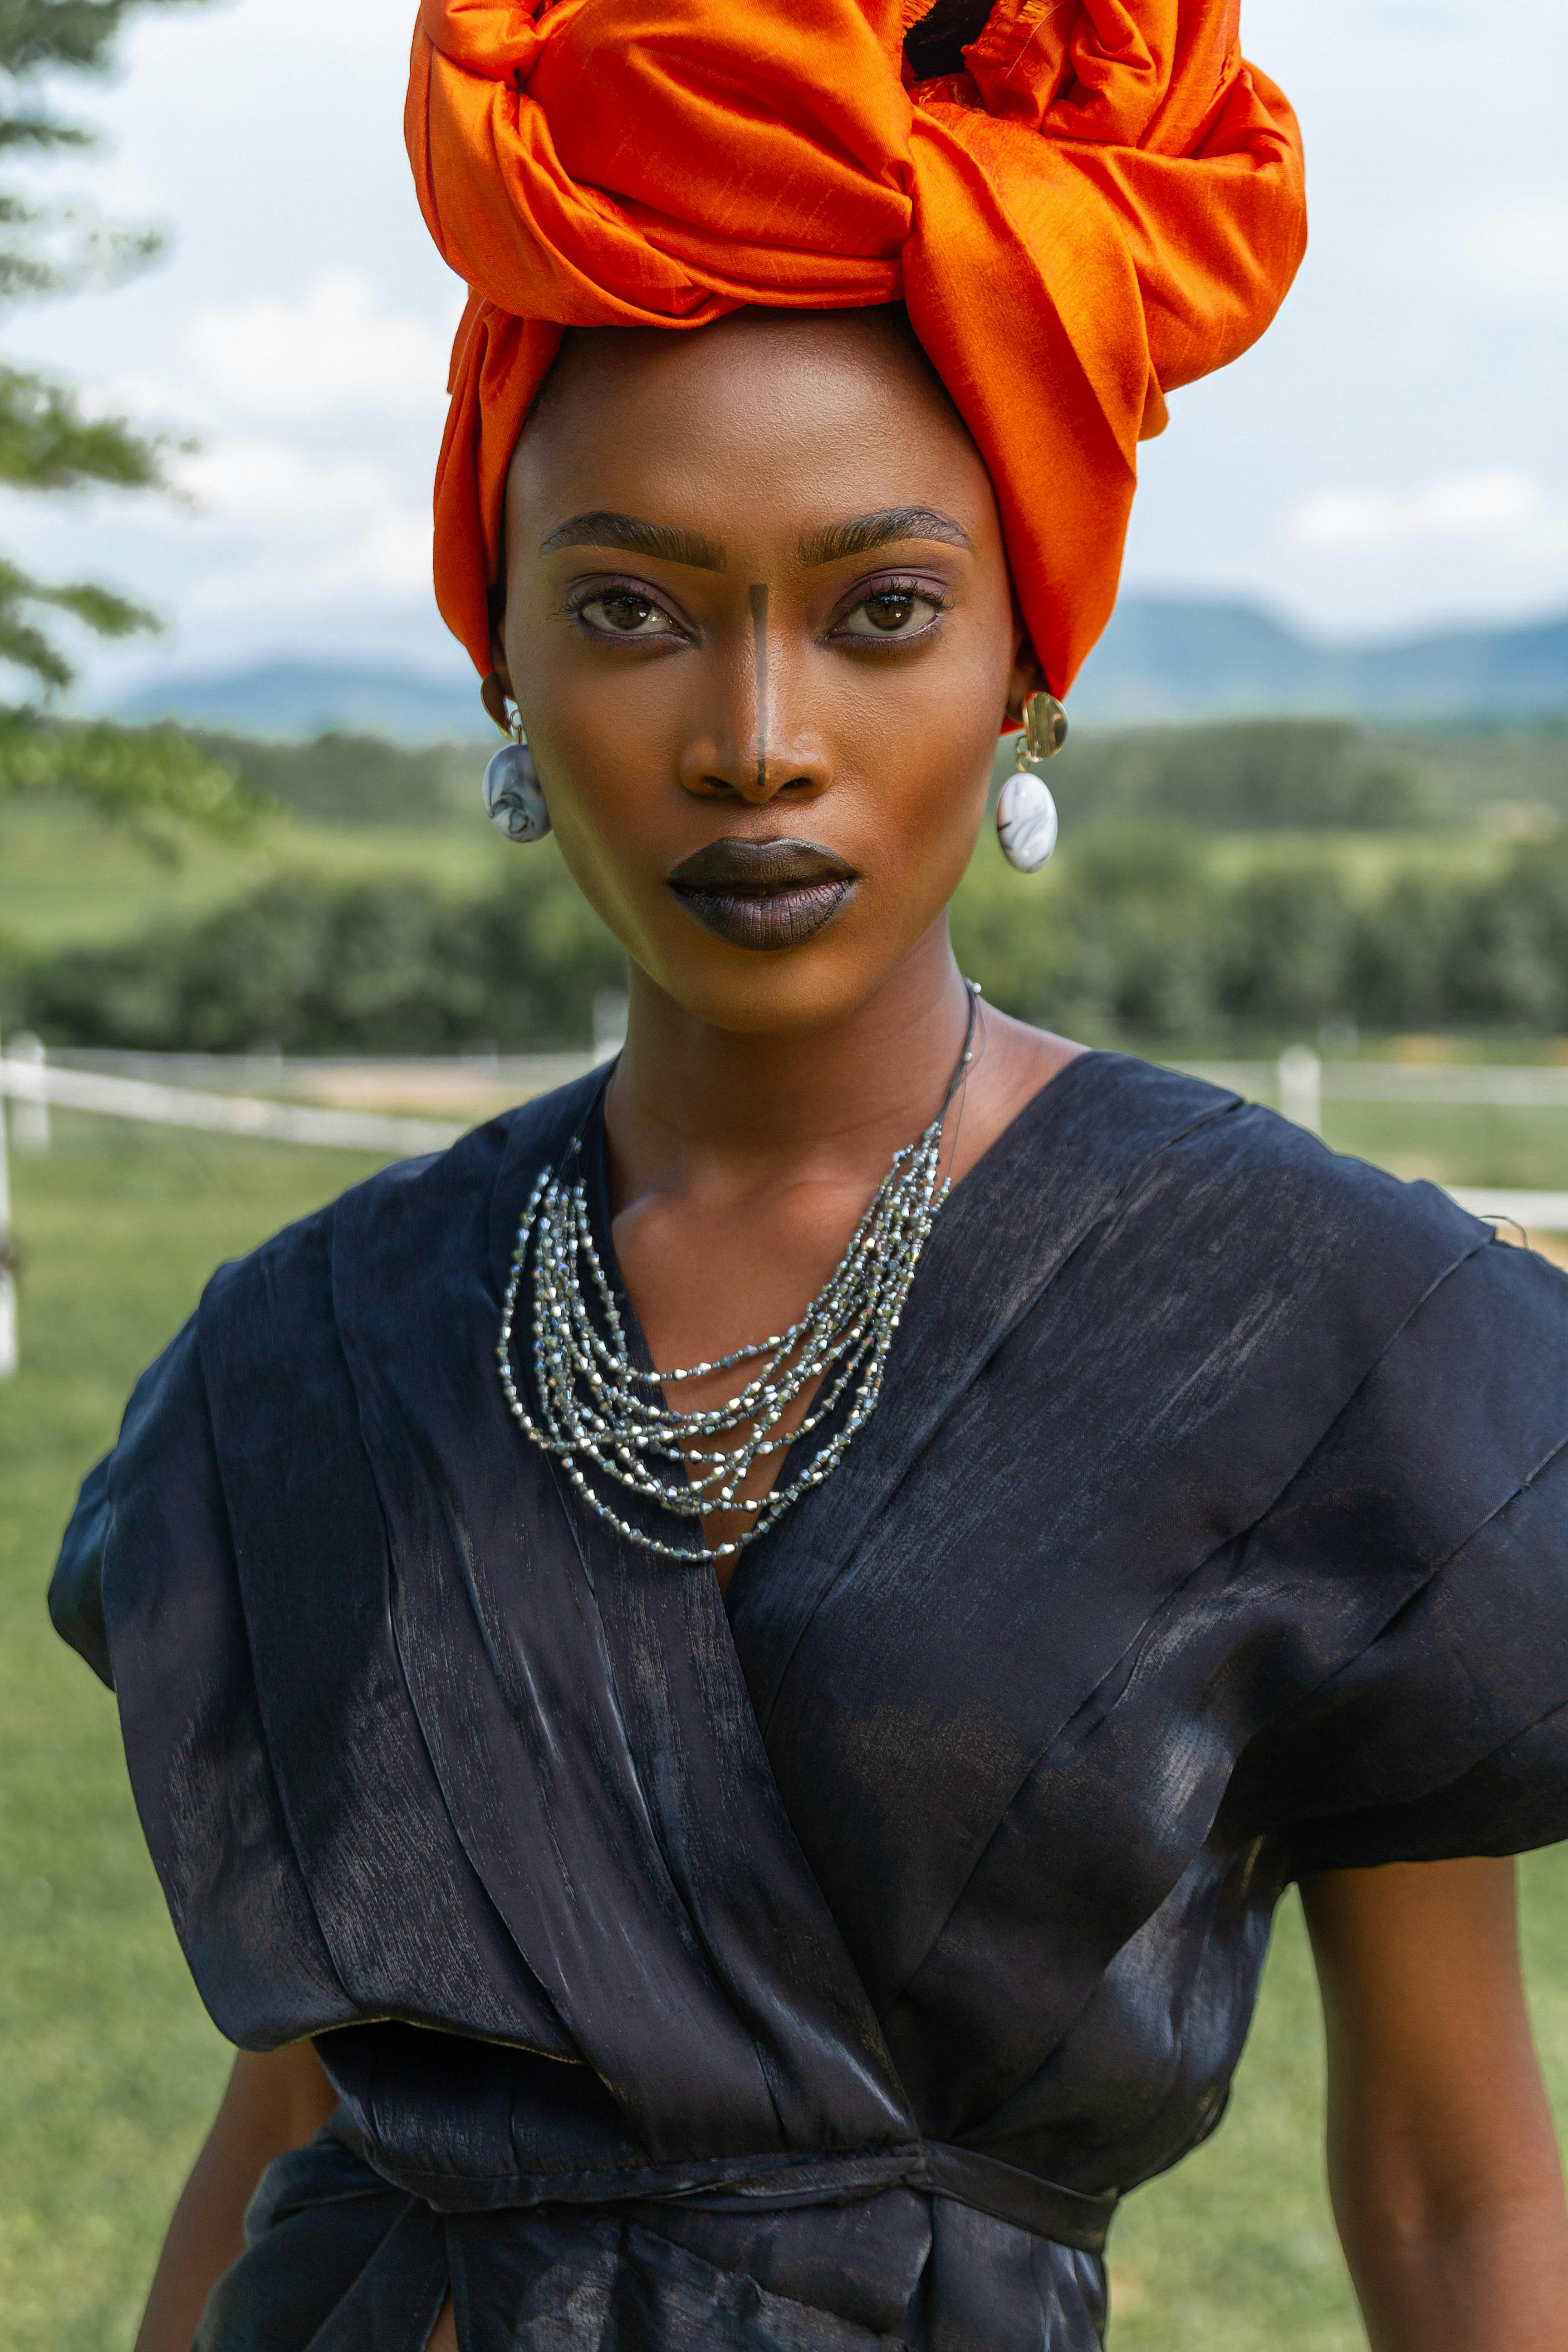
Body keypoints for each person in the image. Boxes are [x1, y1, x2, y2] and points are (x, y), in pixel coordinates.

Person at [48, 2, 1568, 2347]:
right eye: (632, 608)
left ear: (1028, 663)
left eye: (881, 611)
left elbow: (1463, 2193)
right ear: (504, 668)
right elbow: (333, 2100)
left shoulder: (1323, 1328)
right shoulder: (309, 1354)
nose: (759, 741)